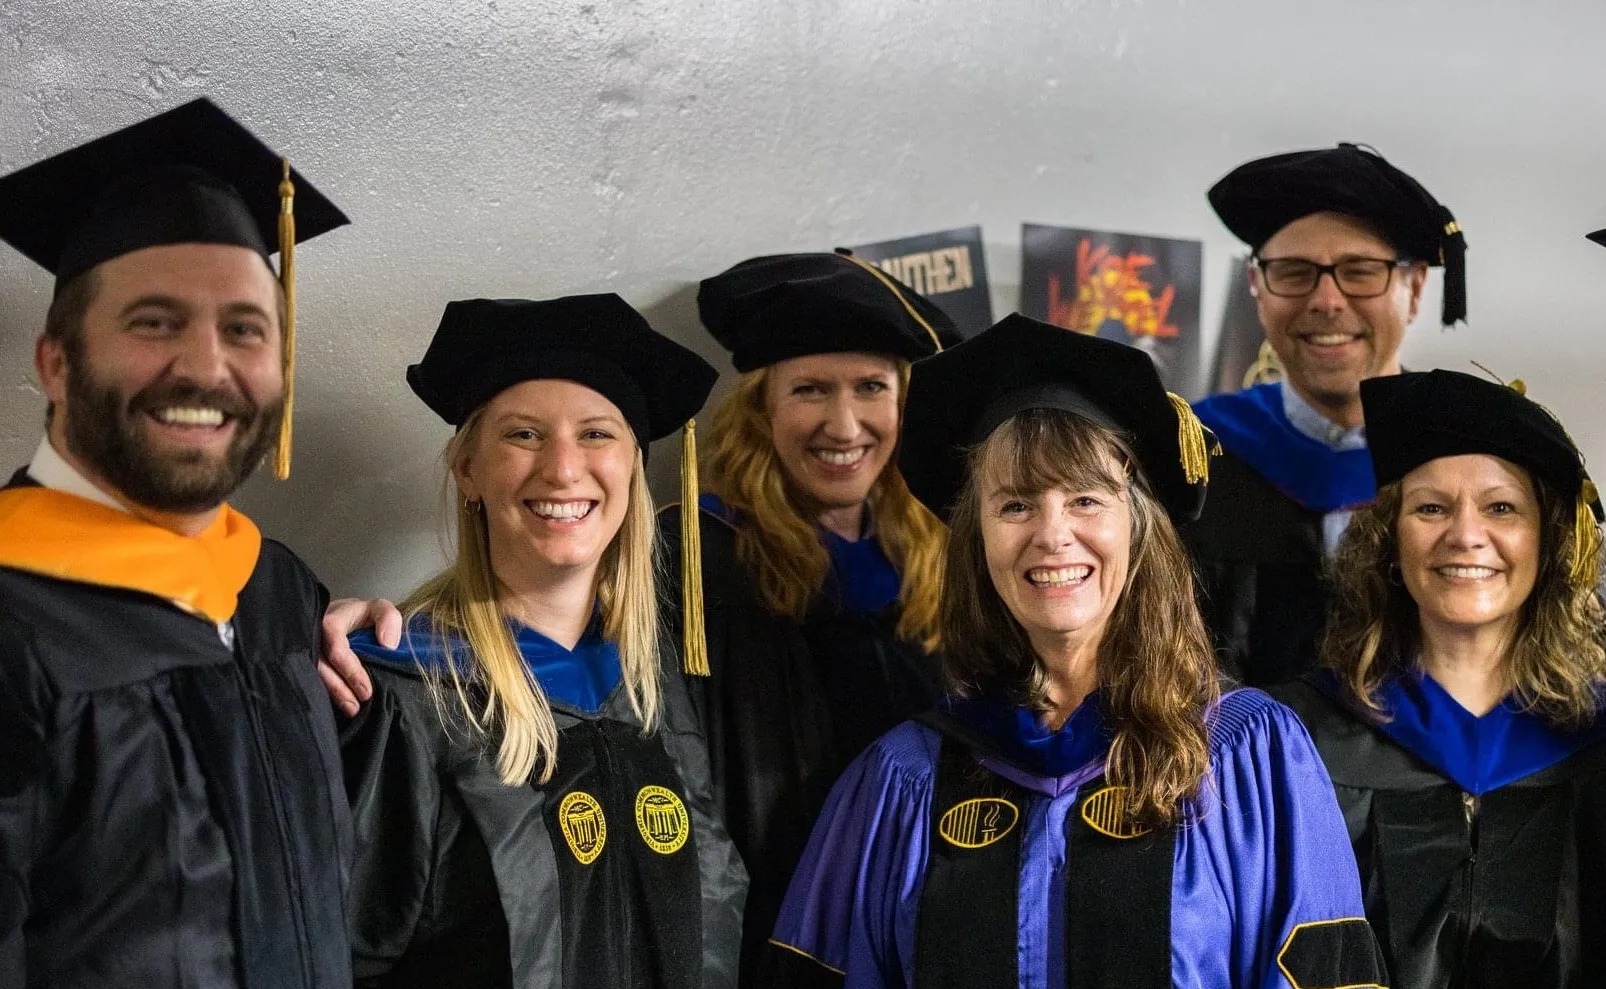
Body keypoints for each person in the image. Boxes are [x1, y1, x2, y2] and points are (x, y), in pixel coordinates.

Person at [764, 314, 1386, 988]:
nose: (1053, 535)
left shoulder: (1248, 757)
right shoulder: (902, 780)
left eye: (1087, 498)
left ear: (1140, 528)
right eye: (1015, 505)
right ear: (978, 540)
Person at [0, 98, 358, 986]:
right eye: (153, 322)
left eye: (245, 328)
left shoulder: (277, 591)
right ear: (55, 360)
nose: (205, 366)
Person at [340, 294, 746, 988]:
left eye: (596, 433)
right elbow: (344, 955)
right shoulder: (406, 693)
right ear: (468, 469)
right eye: (524, 434)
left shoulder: (662, 681)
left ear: (635, 466)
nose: (562, 468)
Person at [659, 250, 960, 981]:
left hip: (931, 912)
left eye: (870, 387)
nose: (844, 422)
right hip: (783, 927)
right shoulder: (699, 554)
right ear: (762, 406)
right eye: (810, 389)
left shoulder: (939, 544)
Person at [1274, 369, 1606, 988]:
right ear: (1389, 543)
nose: (1466, 536)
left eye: (1501, 507)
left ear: (1549, 540)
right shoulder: (1296, 744)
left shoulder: (1594, 746)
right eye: (1430, 508)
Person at [1188, 143, 1467, 686]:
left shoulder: (1471, 458)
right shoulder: (1196, 454)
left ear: (1414, 289)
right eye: (1293, 273)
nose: (1326, 300)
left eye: (1360, 272)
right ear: (1257, 289)